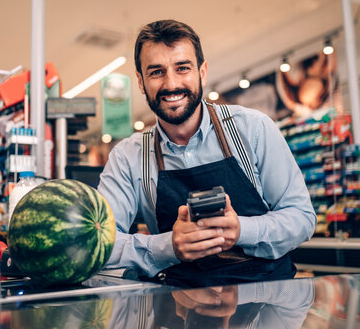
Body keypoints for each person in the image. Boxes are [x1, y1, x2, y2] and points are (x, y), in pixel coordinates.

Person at [98, 19, 316, 287]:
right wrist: (167, 245)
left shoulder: (253, 128)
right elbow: (99, 241)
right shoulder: (128, 157)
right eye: (156, 72)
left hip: (266, 296)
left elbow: (301, 217)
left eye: (182, 68)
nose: (171, 83)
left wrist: (241, 231)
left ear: (202, 72)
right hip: (177, 305)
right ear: (141, 82)